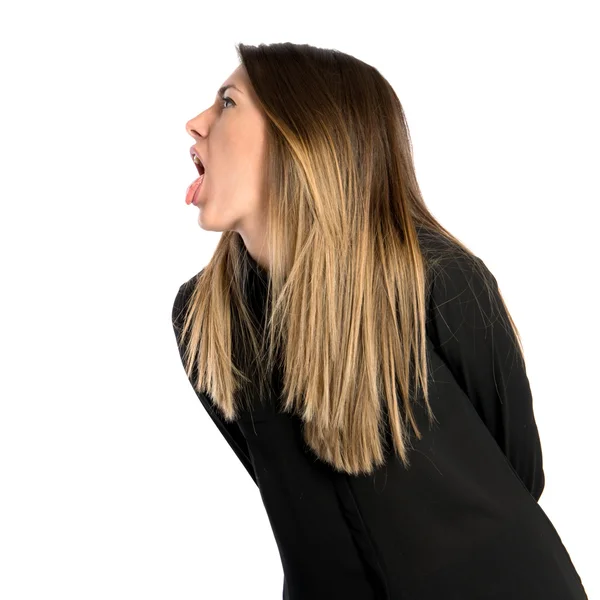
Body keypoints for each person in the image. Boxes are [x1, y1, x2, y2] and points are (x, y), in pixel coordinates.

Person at [172, 42, 588, 600]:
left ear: (307, 134)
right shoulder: (205, 320)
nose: (195, 123)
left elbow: (516, 474)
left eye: (227, 102)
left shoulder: (438, 277)